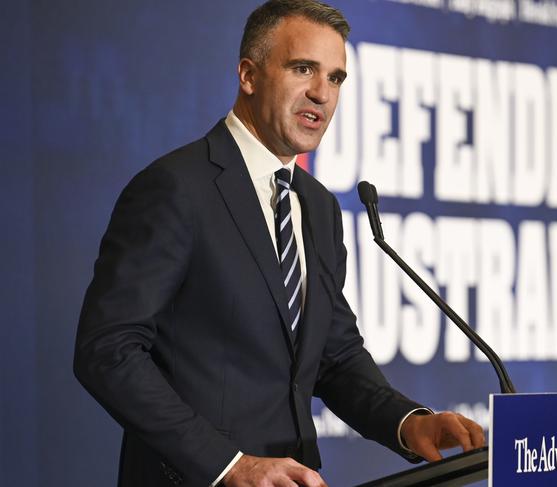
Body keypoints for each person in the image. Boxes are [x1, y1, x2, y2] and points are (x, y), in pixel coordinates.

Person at [73, 1, 485, 486]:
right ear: (248, 75)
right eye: (303, 68)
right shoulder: (176, 188)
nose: (321, 94)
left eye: (335, 78)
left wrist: (409, 422)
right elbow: (108, 350)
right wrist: (228, 464)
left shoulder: (318, 207)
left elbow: (334, 355)